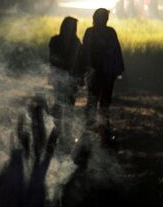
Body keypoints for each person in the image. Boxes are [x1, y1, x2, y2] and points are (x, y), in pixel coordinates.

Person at [81, 8, 124, 141]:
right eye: (104, 17)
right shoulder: (106, 32)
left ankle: (98, 126)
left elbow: (116, 50)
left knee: (101, 100)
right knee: (96, 100)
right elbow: (86, 51)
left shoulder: (94, 32)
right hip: (99, 71)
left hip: (104, 71)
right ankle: (97, 126)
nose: (106, 20)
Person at [48, 16, 82, 146]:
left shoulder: (56, 40)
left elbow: (53, 60)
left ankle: (60, 133)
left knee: (63, 105)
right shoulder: (75, 42)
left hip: (65, 77)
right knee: (66, 106)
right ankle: (62, 133)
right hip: (66, 77)